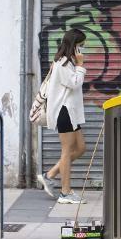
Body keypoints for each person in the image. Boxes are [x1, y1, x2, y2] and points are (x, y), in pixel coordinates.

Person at [37, 29, 87, 204]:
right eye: (81, 46)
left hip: (71, 113)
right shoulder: (64, 63)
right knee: (66, 152)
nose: (82, 50)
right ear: (74, 46)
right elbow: (74, 83)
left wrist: (78, 65)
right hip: (64, 111)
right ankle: (65, 193)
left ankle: (49, 175)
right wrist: (80, 66)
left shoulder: (68, 62)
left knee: (80, 148)